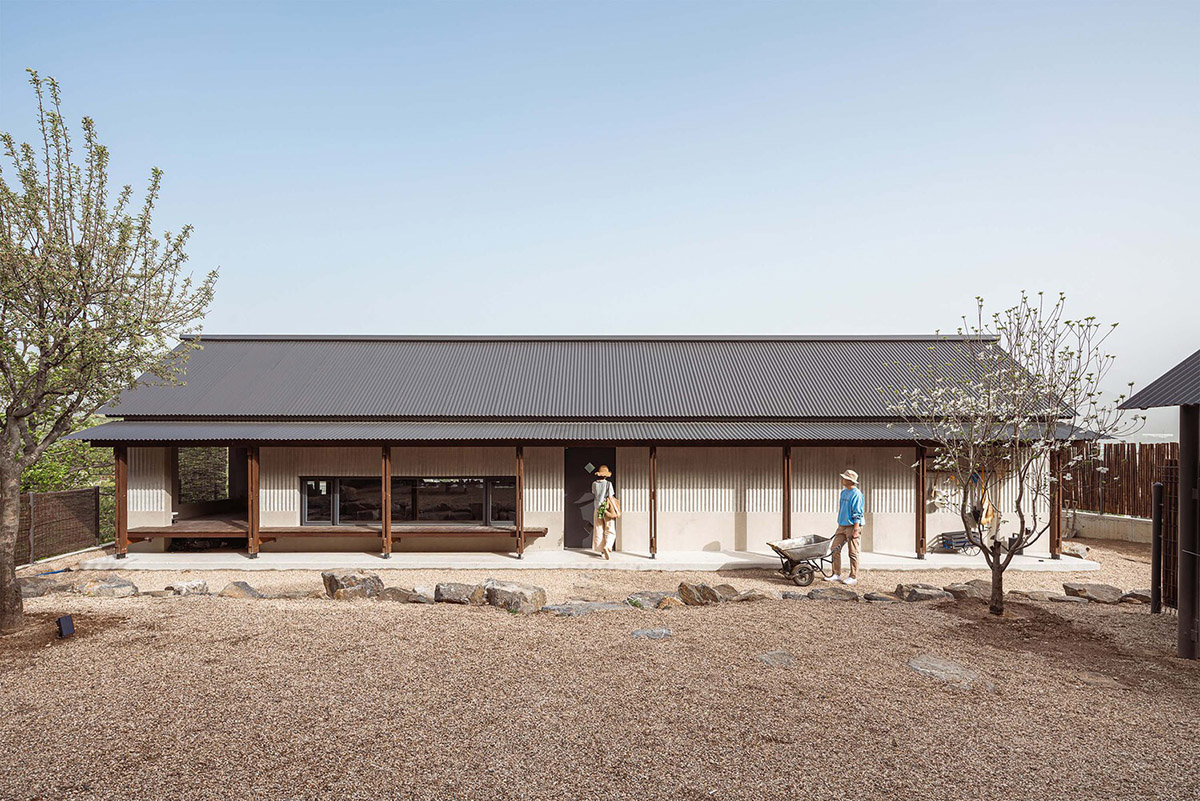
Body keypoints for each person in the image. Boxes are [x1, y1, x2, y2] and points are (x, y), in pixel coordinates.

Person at [826, 469, 864, 585]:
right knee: (834, 549)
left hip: (853, 526)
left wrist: (856, 529)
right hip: (842, 525)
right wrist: (840, 524)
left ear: (849, 481)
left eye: (844, 478)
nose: (842, 479)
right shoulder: (843, 492)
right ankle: (836, 574)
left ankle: (853, 577)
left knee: (853, 552)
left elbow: (858, 512)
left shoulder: (857, 494)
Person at [591, 465, 617, 559]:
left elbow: (594, 493)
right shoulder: (608, 484)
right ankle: (607, 547)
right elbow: (610, 497)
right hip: (606, 509)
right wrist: (615, 509)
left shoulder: (594, 484)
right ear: (606, 475)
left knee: (598, 529)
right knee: (610, 529)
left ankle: (601, 550)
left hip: (597, 508)